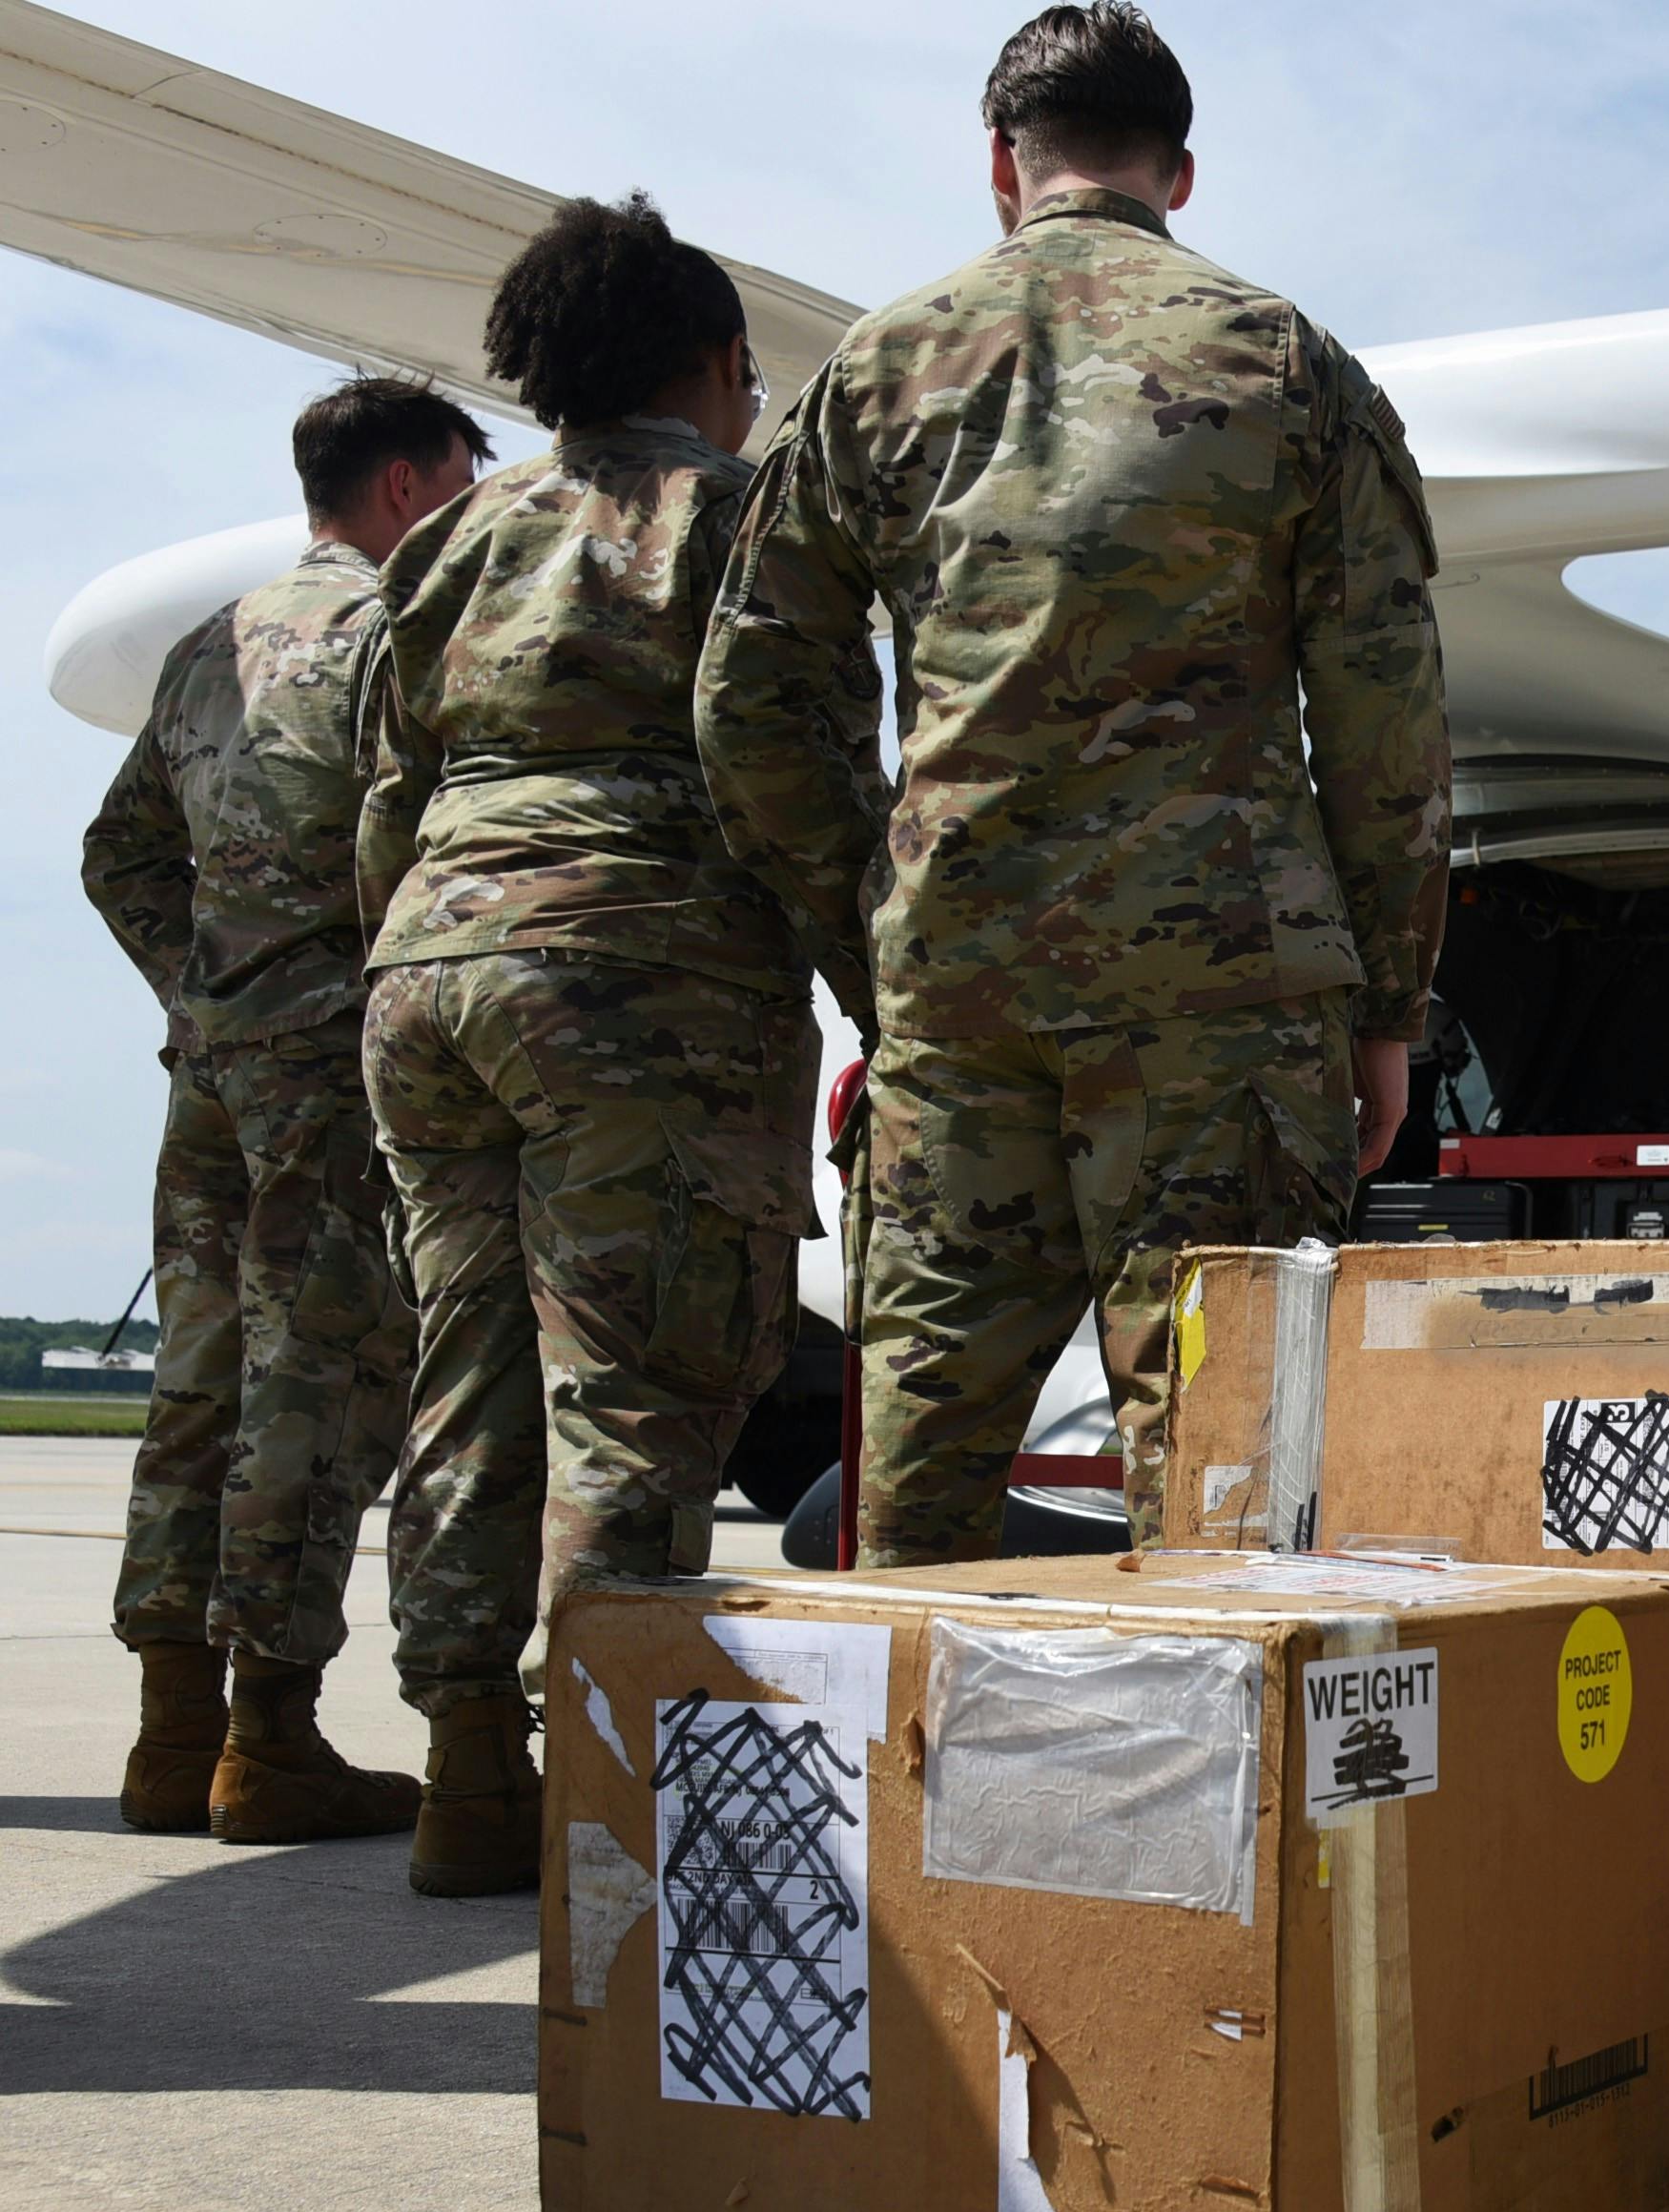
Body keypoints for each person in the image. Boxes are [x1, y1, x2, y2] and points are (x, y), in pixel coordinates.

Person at [697, 2, 1450, 1566]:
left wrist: (876, 944)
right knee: (1222, 1463)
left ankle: (917, 1800)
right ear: (1178, 170)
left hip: (956, 995)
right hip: (1220, 998)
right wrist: (1389, 1006)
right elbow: (1384, 723)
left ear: (998, 163)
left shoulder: (875, 369)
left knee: (917, 1466)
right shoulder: (1289, 365)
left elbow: (753, 695)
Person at [361, 195, 856, 1897]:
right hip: (637, 984)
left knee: (473, 1372)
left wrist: (422, 949)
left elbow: (386, 789)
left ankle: (466, 1766)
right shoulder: (734, 519)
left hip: (430, 973)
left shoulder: (457, 536)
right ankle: (616, 1797)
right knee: (635, 1392)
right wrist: (879, 978)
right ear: (721, 368)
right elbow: (791, 767)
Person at [84, 377, 491, 1843]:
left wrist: (201, 1000)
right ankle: (271, 1737)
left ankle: (168, 1731)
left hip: (219, 1076)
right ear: (402, 488)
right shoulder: (407, 633)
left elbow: (116, 856)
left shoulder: (214, 647)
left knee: (198, 1381)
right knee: (315, 1388)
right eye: (461, 482)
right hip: (332, 1075)